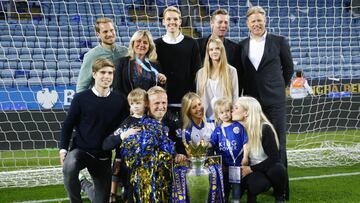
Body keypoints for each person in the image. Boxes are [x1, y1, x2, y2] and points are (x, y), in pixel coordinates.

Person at [237, 6, 293, 199]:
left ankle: (282, 190)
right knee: (254, 144)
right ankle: (258, 183)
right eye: (253, 21)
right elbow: (242, 74)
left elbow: (288, 69)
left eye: (259, 20)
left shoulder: (279, 42)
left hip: (274, 102)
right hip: (252, 105)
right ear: (247, 24)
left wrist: (276, 89)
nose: (256, 24)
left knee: (279, 145)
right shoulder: (242, 45)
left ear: (265, 21)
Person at [60, 58, 128, 203]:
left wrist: (118, 158)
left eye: (110, 73)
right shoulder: (80, 98)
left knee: (102, 200)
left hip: (103, 156)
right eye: (102, 72)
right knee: (69, 165)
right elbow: (67, 125)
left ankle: (84, 184)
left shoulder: (120, 101)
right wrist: (63, 150)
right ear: (94, 74)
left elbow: (121, 131)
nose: (107, 76)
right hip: (81, 151)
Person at [119, 86, 187, 202]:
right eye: (156, 103)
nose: (161, 106)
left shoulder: (172, 123)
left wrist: (180, 154)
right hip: (139, 181)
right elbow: (111, 144)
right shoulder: (134, 123)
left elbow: (180, 146)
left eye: (164, 102)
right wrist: (122, 136)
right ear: (147, 104)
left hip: (166, 181)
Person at [232, 96, 287, 203]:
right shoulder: (238, 129)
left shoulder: (264, 128)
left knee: (278, 169)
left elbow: (274, 159)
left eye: (236, 108)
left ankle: (280, 196)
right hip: (255, 169)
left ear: (246, 113)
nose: (232, 110)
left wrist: (250, 169)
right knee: (255, 184)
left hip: (268, 167)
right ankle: (250, 198)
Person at [155, 6, 201, 122]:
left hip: (186, 100)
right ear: (163, 21)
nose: (172, 22)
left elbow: (197, 71)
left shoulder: (191, 43)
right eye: (169, 19)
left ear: (180, 21)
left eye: (175, 19)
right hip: (163, 101)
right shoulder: (156, 44)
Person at [102, 88, 147, 202]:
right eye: (132, 103)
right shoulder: (127, 123)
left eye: (138, 103)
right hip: (129, 170)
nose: (135, 106)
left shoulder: (151, 121)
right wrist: (123, 135)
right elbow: (106, 144)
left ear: (145, 103)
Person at [209, 98, 248, 203]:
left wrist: (245, 157)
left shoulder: (238, 127)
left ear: (231, 111)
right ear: (218, 115)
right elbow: (211, 143)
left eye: (227, 111)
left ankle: (236, 200)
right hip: (224, 165)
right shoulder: (217, 130)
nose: (225, 114)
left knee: (236, 185)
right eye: (222, 112)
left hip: (237, 163)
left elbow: (245, 142)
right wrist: (206, 144)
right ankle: (224, 199)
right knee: (225, 184)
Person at [76, 17, 128, 93]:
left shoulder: (125, 51)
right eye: (105, 32)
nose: (110, 34)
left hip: (123, 99)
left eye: (111, 30)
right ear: (98, 34)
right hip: (100, 100)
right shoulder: (91, 55)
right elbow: (82, 86)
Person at [196, 36, 239, 121]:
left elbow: (235, 96)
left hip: (225, 118)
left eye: (217, 49)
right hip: (207, 119)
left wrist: (232, 117)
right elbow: (199, 97)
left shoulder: (231, 71)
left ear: (221, 51)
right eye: (211, 49)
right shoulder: (201, 73)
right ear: (208, 52)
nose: (214, 52)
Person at [113, 30, 167, 96]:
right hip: (129, 104)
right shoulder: (122, 63)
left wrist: (162, 82)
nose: (141, 45)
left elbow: (161, 89)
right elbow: (117, 89)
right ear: (133, 44)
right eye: (138, 41)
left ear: (149, 46)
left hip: (149, 104)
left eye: (145, 42)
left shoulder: (156, 64)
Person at [197, 9, 240, 77]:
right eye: (220, 22)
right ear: (212, 23)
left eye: (226, 22)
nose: (223, 25)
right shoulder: (197, 45)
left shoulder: (235, 48)